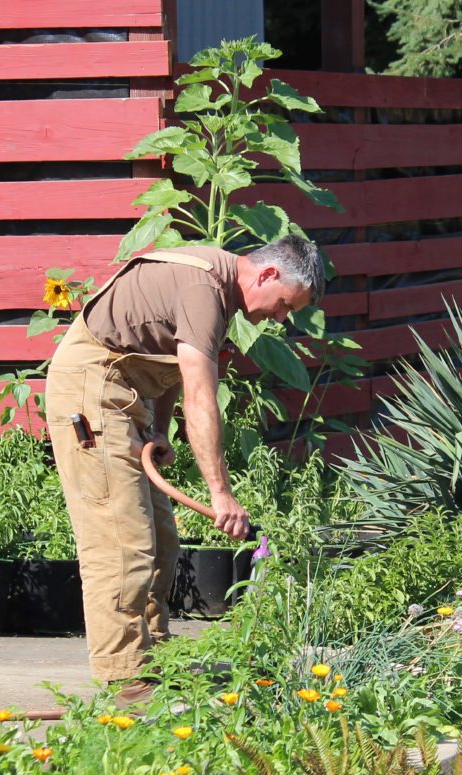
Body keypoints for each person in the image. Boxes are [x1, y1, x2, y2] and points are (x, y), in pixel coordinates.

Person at [44, 235, 325, 703]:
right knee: (120, 539)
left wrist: (157, 428)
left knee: (160, 536)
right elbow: (199, 396)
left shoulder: (215, 282)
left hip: (123, 393)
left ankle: (152, 656)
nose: (280, 319)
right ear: (267, 274)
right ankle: (126, 679)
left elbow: (167, 359)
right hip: (91, 392)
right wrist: (220, 492)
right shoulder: (205, 290)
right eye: (283, 306)